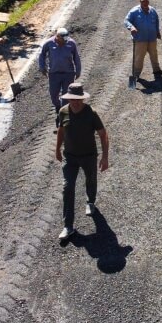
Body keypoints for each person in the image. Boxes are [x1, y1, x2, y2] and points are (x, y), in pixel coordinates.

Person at [55, 82, 109, 241]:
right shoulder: (63, 112)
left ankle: (90, 201)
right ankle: (68, 226)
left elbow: (103, 134)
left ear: (83, 99)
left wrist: (105, 157)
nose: (75, 102)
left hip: (88, 155)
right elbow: (61, 131)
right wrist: (57, 149)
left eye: (78, 99)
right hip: (70, 156)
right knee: (67, 187)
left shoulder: (91, 113)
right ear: (68, 99)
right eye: (72, 99)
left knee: (90, 179)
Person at [39, 27, 82, 126]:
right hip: (54, 74)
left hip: (68, 73)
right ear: (57, 37)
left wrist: (78, 70)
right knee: (53, 95)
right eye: (63, 40)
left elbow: (76, 57)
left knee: (66, 96)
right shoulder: (49, 43)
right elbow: (42, 55)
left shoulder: (71, 43)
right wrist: (42, 67)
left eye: (66, 40)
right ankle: (58, 108)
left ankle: (62, 116)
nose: (65, 42)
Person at [124, 0, 162, 88]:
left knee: (154, 55)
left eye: (147, 1)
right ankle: (136, 75)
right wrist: (131, 27)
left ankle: (157, 70)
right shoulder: (134, 11)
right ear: (140, 2)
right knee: (139, 58)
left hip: (152, 38)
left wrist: (157, 32)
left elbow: (156, 21)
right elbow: (126, 21)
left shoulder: (152, 10)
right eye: (143, 1)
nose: (145, 3)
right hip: (140, 39)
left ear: (148, 1)